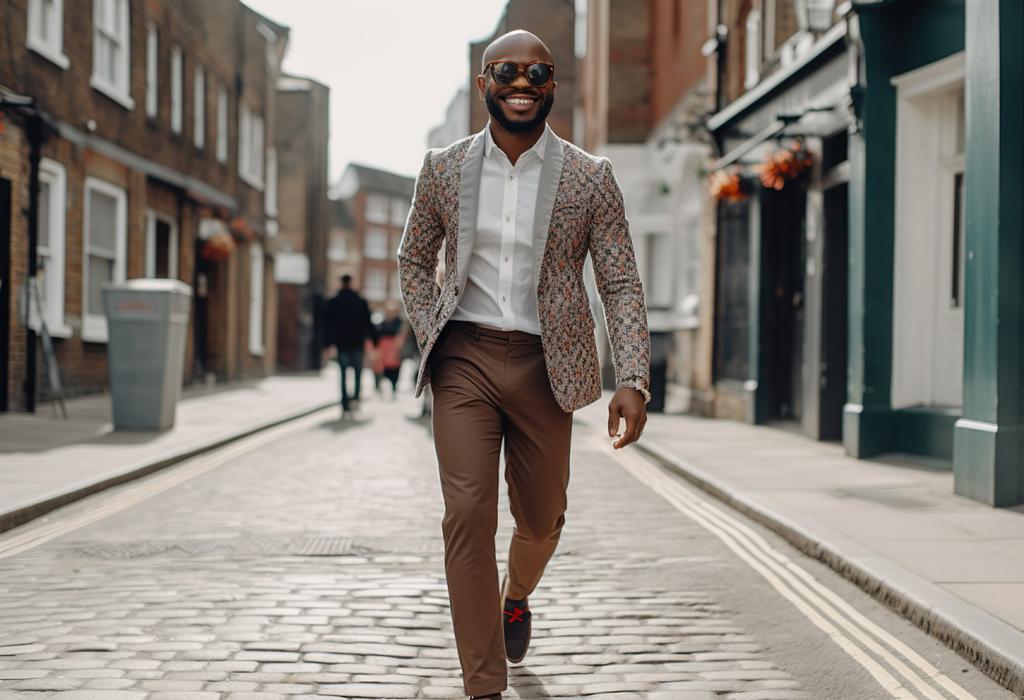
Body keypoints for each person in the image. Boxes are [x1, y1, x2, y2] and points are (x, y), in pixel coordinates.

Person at [396, 30, 650, 700]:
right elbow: (414, 261)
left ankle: (517, 593)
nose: (521, 83)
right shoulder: (443, 169)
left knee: (541, 519)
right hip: (467, 361)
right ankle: (484, 683)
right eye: (505, 71)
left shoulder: (591, 177)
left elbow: (619, 281)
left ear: (552, 86)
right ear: (485, 80)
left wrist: (632, 377)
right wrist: (434, 333)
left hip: (548, 366)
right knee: (468, 514)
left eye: (537, 72)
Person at [323, 274, 378, 418]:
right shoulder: (360, 301)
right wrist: (374, 341)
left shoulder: (334, 301)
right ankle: (355, 400)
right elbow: (369, 323)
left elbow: (328, 325)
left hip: (342, 344)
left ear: (341, 282)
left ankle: (344, 404)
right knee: (358, 374)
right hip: (357, 343)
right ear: (351, 282)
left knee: (343, 374)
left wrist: (328, 344)